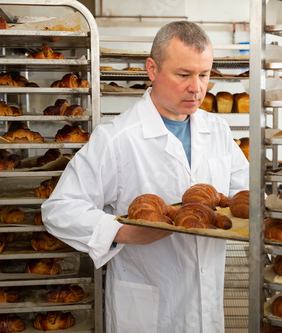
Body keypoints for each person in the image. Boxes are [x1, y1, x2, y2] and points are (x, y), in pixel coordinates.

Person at [41, 21, 249, 333]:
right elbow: (60, 209)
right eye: (184, 75)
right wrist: (123, 233)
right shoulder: (117, 138)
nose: (197, 88)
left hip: (208, 305)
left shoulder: (217, 131)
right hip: (147, 311)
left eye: (204, 74)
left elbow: (245, 196)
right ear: (151, 69)